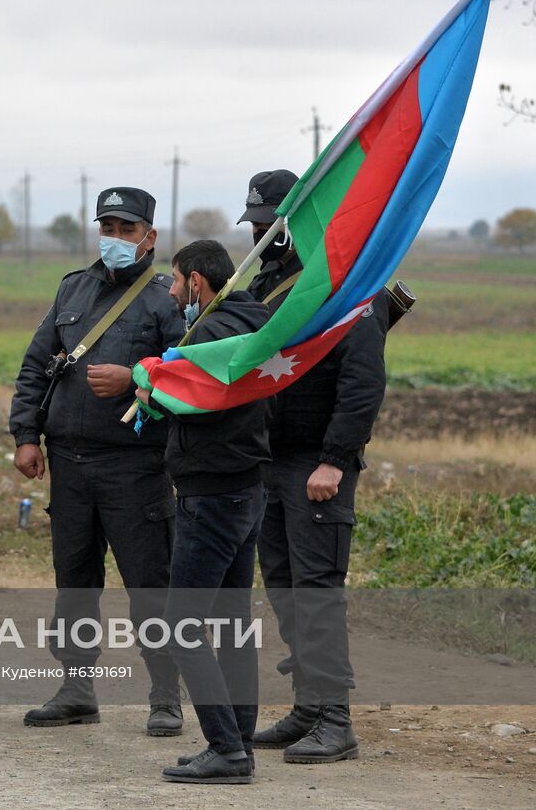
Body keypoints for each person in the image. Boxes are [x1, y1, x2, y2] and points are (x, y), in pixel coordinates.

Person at [8, 188, 186, 735]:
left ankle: (165, 695)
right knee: (75, 583)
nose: (113, 238)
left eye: (125, 230)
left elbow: (188, 383)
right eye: (106, 227)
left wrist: (135, 377)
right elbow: (37, 364)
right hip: (70, 463)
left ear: (149, 238)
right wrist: (26, 434)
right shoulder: (73, 290)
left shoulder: (165, 301)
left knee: (149, 585)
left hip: (135, 467)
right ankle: (76, 689)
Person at [238, 170, 386, 764]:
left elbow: (362, 385)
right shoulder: (265, 286)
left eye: (270, 224)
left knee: (317, 591)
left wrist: (335, 461)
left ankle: (336, 719)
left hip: (316, 465)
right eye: (256, 225)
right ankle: (307, 707)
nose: (261, 235)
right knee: (284, 588)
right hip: (269, 461)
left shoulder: (343, 287)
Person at [144, 239, 270, 785]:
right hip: (247, 489)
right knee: (232, 624)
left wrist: (145, 378)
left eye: (174, 282)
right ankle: (240, 740)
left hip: (213, 494)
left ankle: (226, 749)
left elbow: (188, 398)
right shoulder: (253, 321)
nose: (172, 293)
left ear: (197, 282)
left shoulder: (212, 336)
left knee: (181, 625)